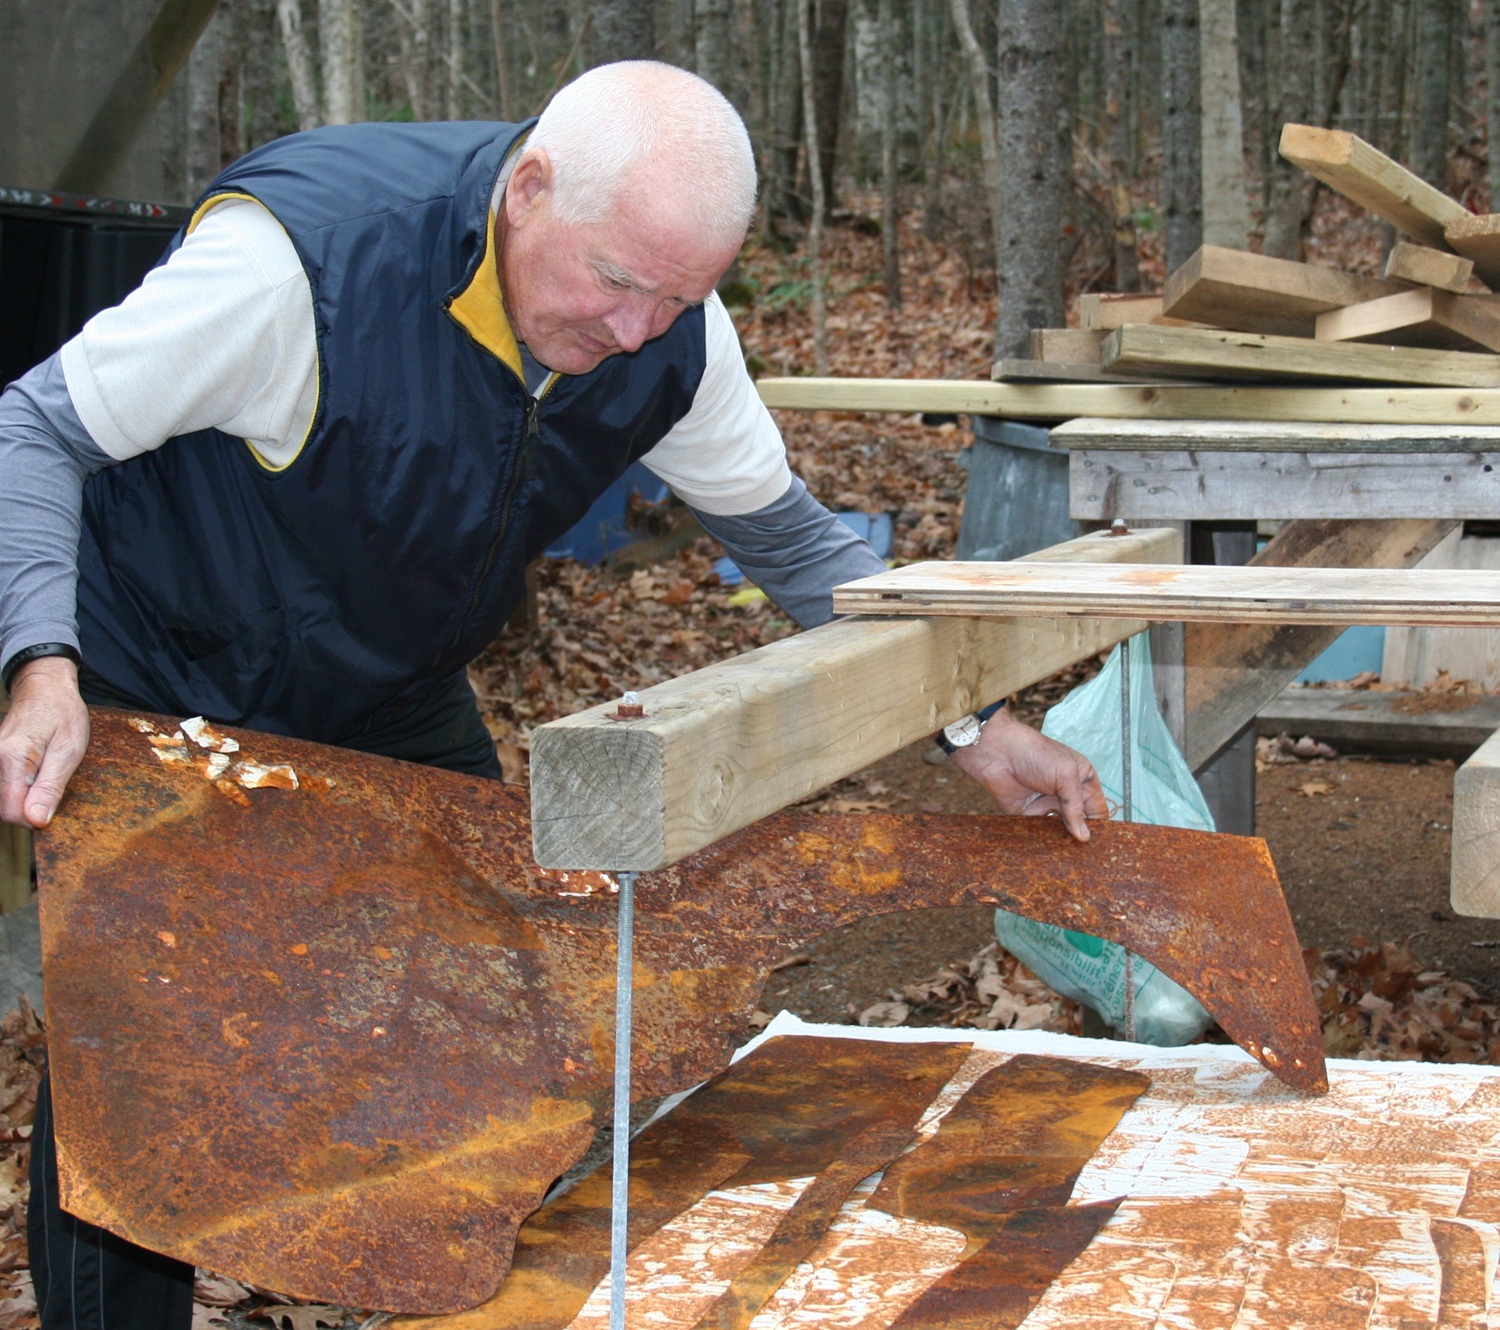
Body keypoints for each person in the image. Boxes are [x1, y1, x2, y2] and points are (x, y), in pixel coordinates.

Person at [0, 60, 1105, 1327]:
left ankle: (444, 1288)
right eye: (618, 282)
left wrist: (972, 722)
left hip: (384, 678)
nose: (635, 331)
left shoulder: (670, 334)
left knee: (497, 998)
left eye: (680, 296)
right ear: (528, 190)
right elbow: (33, 428)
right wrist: (42, 662)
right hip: (156, 668)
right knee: (145, 1074)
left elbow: (798, 547)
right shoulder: (302, 264)